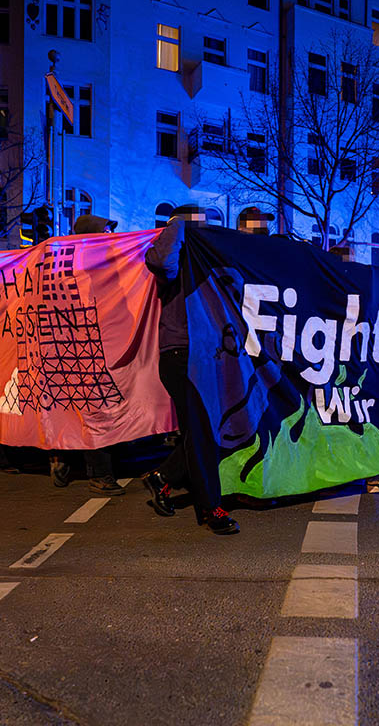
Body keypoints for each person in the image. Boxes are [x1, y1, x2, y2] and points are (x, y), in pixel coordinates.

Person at [140, 204, 239, 535]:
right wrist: (179, 225)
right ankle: (211, 507)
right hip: (182, 354)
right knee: (201, 431)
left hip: (207, 356)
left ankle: (164, 478)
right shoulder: (176, 265)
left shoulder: (206, 264)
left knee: (209, 429)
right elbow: (160, 259)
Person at [46, 213, 126, 496]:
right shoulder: (86, 264)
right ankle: (99, 473)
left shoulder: (66, 261)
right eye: (105, 230)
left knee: (75, 406)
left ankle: (62, 457)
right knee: (96, 408)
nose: (111, 235)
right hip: (81, 344)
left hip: (79, 343)